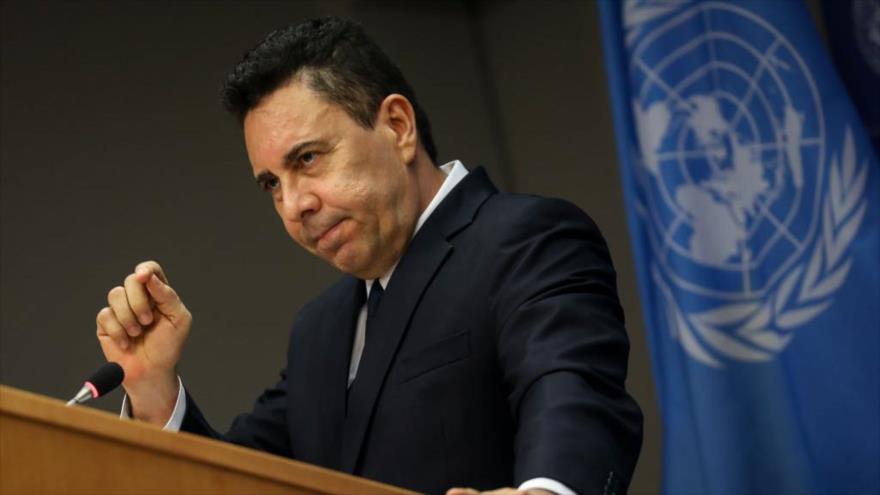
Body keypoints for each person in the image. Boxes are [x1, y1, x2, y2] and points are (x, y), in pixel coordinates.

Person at [95, 17, 643, 495]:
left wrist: (545, 493)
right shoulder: (320, 328)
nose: (294, 206)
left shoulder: (524, 238)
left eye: (308, 159)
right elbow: (239, 479)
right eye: (271, 185)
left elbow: (572, 392)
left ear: (398, 127)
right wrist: (153, 386)